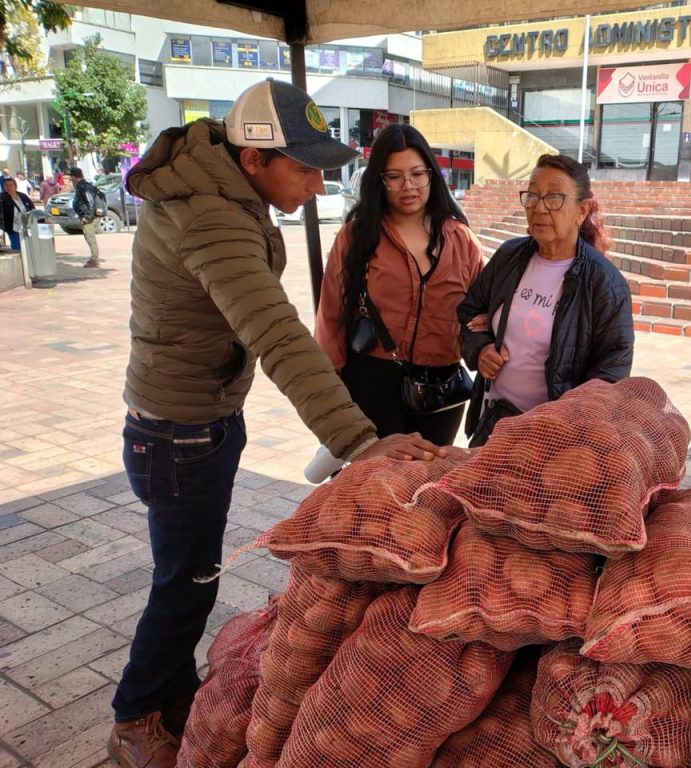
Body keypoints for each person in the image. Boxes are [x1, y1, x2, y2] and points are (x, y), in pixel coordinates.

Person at [107, 79, 444, 768]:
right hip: (179, 433)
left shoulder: (225, 189)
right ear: (254, 159)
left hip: (200, 420)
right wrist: (360, 443)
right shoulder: (212, 216)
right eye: (306, 168)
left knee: (192, 573)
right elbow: (278, 336)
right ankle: (134, 715)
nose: (319, 186)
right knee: (186, 580)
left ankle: (170, 692)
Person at [315, 124, 484, 446]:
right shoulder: (357, 237)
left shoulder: (460, 239)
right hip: (373, 379)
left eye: (417, 174)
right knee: (382, 472)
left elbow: (483, 308)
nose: (408, 186)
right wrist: (328, 392)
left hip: (442, 384)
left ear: (432, 176)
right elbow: (331, 316)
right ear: (380, 180)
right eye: (394, 176)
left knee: (431, 469)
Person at [458, 153, 634, 445]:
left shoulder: (604, 283)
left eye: (554, 198)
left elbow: (611, 370)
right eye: (532, 196)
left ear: (581, 210)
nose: (539, 208)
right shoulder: (509, 256)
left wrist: (565, 427)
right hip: (494, 423)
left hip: (553, 439)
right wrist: (481, 348)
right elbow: (468, 311)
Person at [69, 167, 103, 267]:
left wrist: (87, 217)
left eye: (71, 177)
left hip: (89, 216)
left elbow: (90, 202)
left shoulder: (83, 186)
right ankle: (94, 258)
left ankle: (94, 260)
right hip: (88, 215)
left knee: (90, 237)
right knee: (89, 237)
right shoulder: (83, 185)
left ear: (74, 177)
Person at [0, 176, 34, 251]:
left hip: (26, 225)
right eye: (6, 185)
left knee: (28, 247)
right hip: (13, 227)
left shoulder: (23, 196)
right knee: (17, 248)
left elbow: (32, 208)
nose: (8, 187)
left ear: (15, 186)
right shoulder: (2, 197)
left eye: (11, 185)